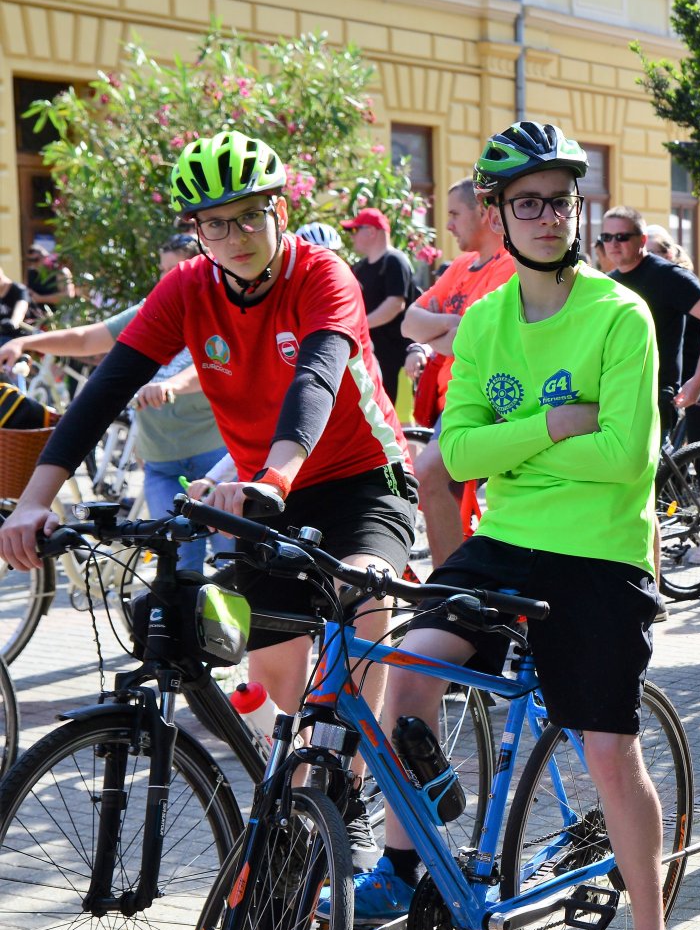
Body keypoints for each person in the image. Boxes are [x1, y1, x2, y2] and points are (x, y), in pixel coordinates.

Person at [355, 120, 690, 930]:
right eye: (527, 202)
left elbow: (627, 456)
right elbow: (448, 451)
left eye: (561, 199)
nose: (548, 217)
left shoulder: (620, 315)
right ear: (498, 214)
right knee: (407, 668)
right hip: (505, 540)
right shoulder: (491, 317)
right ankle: (409, 858)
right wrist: (552, 421)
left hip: (599, 553)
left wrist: (514, 439)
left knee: (609, 755)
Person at [0, 131, 416, 727]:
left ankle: (348, 796)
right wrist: (33, 502)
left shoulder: (323, 276)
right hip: (264, 494)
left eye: (249, 217)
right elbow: (105, 390)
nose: (234, 237)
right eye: (213, 224)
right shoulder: (189, 287)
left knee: (359, 610)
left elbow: (315, 381)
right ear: (197, 230)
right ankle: (309, 797)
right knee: (276, 679)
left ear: (281, 209)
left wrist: (273, 477)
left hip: (363, 479)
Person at [17, 234, 229, 574]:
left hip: (213, 456)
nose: (167, 279)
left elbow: (211, 369)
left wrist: (170, 385)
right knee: (177, 567)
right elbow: (88, 338)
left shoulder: (219, 310)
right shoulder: (158, 307)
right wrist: (28, 341)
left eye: (176, 269)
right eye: (162, 271)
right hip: (161, 461)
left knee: (230, 562)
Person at [399, 180, 515, 567]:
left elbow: (475, 340)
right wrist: (453, 324)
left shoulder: (510, 263)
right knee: (433, 480)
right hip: (456, 400)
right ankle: (452, 587)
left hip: (495, 399)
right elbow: (409, 322)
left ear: (484, 211)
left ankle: (451, 587)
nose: (447, 225)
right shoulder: (462, 266)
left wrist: (450, 331)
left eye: (453, 214)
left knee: (432, 474)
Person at [601, 205, 700, 445]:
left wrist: (698, 381)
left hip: (656, 392)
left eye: (622, 237)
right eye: (606, 237)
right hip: (618, 391)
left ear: (642, 239)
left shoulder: (668, 276)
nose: (613, 244)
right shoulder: (609, 282)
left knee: (649, 472)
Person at [344, 207, 416, 400]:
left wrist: (359, 326)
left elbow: (395, 304)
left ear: (371, 231)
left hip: (397, 357)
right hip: (370, 354)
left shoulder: (395, 261)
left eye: (354, 230)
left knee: (397, 418)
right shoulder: (360, 268)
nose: (352, 236)